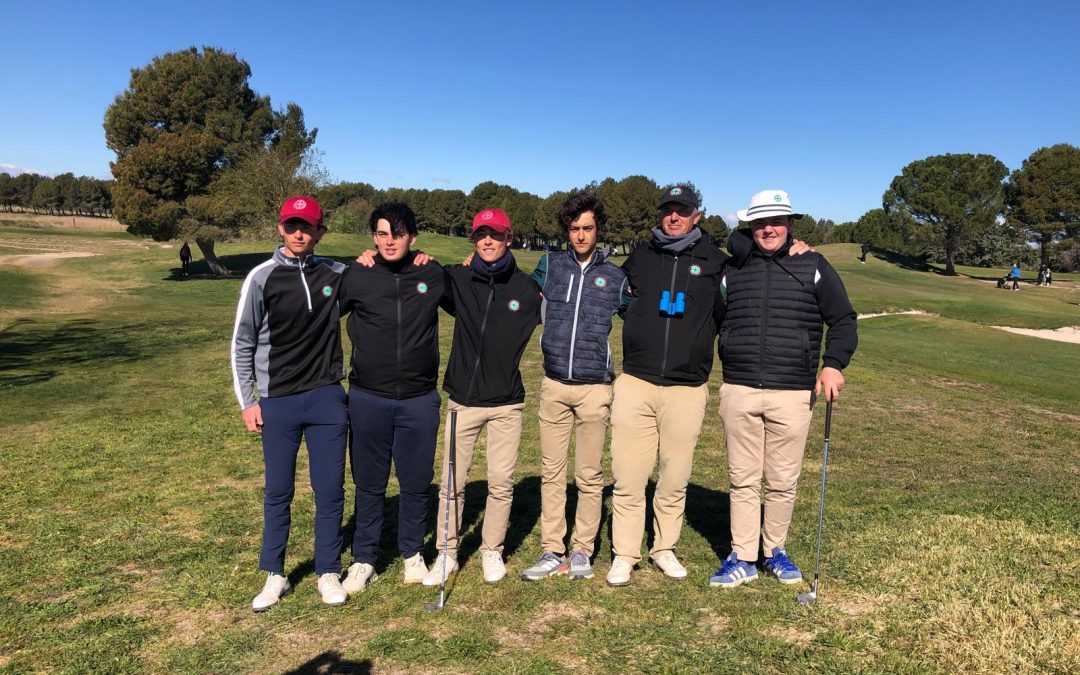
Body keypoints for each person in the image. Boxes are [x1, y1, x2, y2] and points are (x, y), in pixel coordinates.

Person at [709, 189, 857, 589]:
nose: (768, 229)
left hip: (793, 390)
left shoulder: (813, 264)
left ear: (790, 225)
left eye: (776, 222)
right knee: (742, 478)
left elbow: (843, 319)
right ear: (750, 226)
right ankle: (742, 555)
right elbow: (715, 318)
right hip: (739, 386)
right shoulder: (732, 268)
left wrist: (832, 364)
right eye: (760, 223)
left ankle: (775, 550)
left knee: (781, 479)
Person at [605, 185, 731, 586]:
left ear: (697, 215)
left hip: (687, 387)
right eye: (668, 210)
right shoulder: (639, 257)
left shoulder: (716, 262)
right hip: (636, 381)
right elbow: (615, 294)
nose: (674, 217)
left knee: (674, 476)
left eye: (683, 211)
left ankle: (663, 548)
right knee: (628, 475)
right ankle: (625, 553)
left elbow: (727, 310)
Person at [231, 196, 350, 611]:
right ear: (281, 228)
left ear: (320, 231)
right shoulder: (261, 277)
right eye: (292, 225)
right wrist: (248, 401)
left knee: (330, 489)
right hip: (278, 399)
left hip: (327, 398)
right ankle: (275, 573)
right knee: (279, 491)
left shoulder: (337, 272)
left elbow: (377, 282)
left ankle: (329, 570)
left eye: (308, 226)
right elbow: (242, 343)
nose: (300, 233)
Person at [422, 207, 542, 586]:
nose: (488, 241)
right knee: (452, 481)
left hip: (506, 401)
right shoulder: (457, 278)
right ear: (473, 240)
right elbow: (413, 275)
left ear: (509, 238)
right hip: (463, 398)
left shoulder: (526, 290)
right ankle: (447, 552)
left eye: (496, 235)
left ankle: (492, 550)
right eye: (481, 235)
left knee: (501, 481)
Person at [337, 203, 449, 594]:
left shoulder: (431, 274)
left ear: (413, 238)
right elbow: (318, 315)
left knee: (416, 481)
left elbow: (471, 297)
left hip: (419, 399)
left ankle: (411, 553)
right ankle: (364, 558)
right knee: (369, 483)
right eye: (382, 234)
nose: (389, 241)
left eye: (397, 234)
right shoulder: (358, 274)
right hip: (368, 397)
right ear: (373, 237)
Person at [519, 193, 628, 582]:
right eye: (574, 228)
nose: (581, 235)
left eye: (588, 228)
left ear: (598, 230)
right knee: (552, 472)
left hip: (595, 388)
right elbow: (514, 295)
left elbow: (642, 318)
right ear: (566, 230)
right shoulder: (549, 265)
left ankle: (582, 548)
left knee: (588, 474)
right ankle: (553, 548)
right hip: (553, 385)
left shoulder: (615, 277)